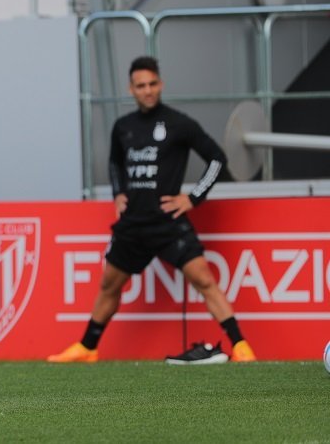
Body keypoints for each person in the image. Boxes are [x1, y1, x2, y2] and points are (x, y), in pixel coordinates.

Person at [48, 56, 257, 365]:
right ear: (130, 89)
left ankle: (241, 346)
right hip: (133, 224)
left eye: (152, 84)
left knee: (203, 280)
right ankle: (87, 347)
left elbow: (217, 159)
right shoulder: (123, 127)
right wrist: (118, 193)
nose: (147, 91)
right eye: (140, 86)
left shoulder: (179, 123)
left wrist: (193, 197)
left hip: (168, 222)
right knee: (109, 284)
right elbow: (115, 162)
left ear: (161, 84)